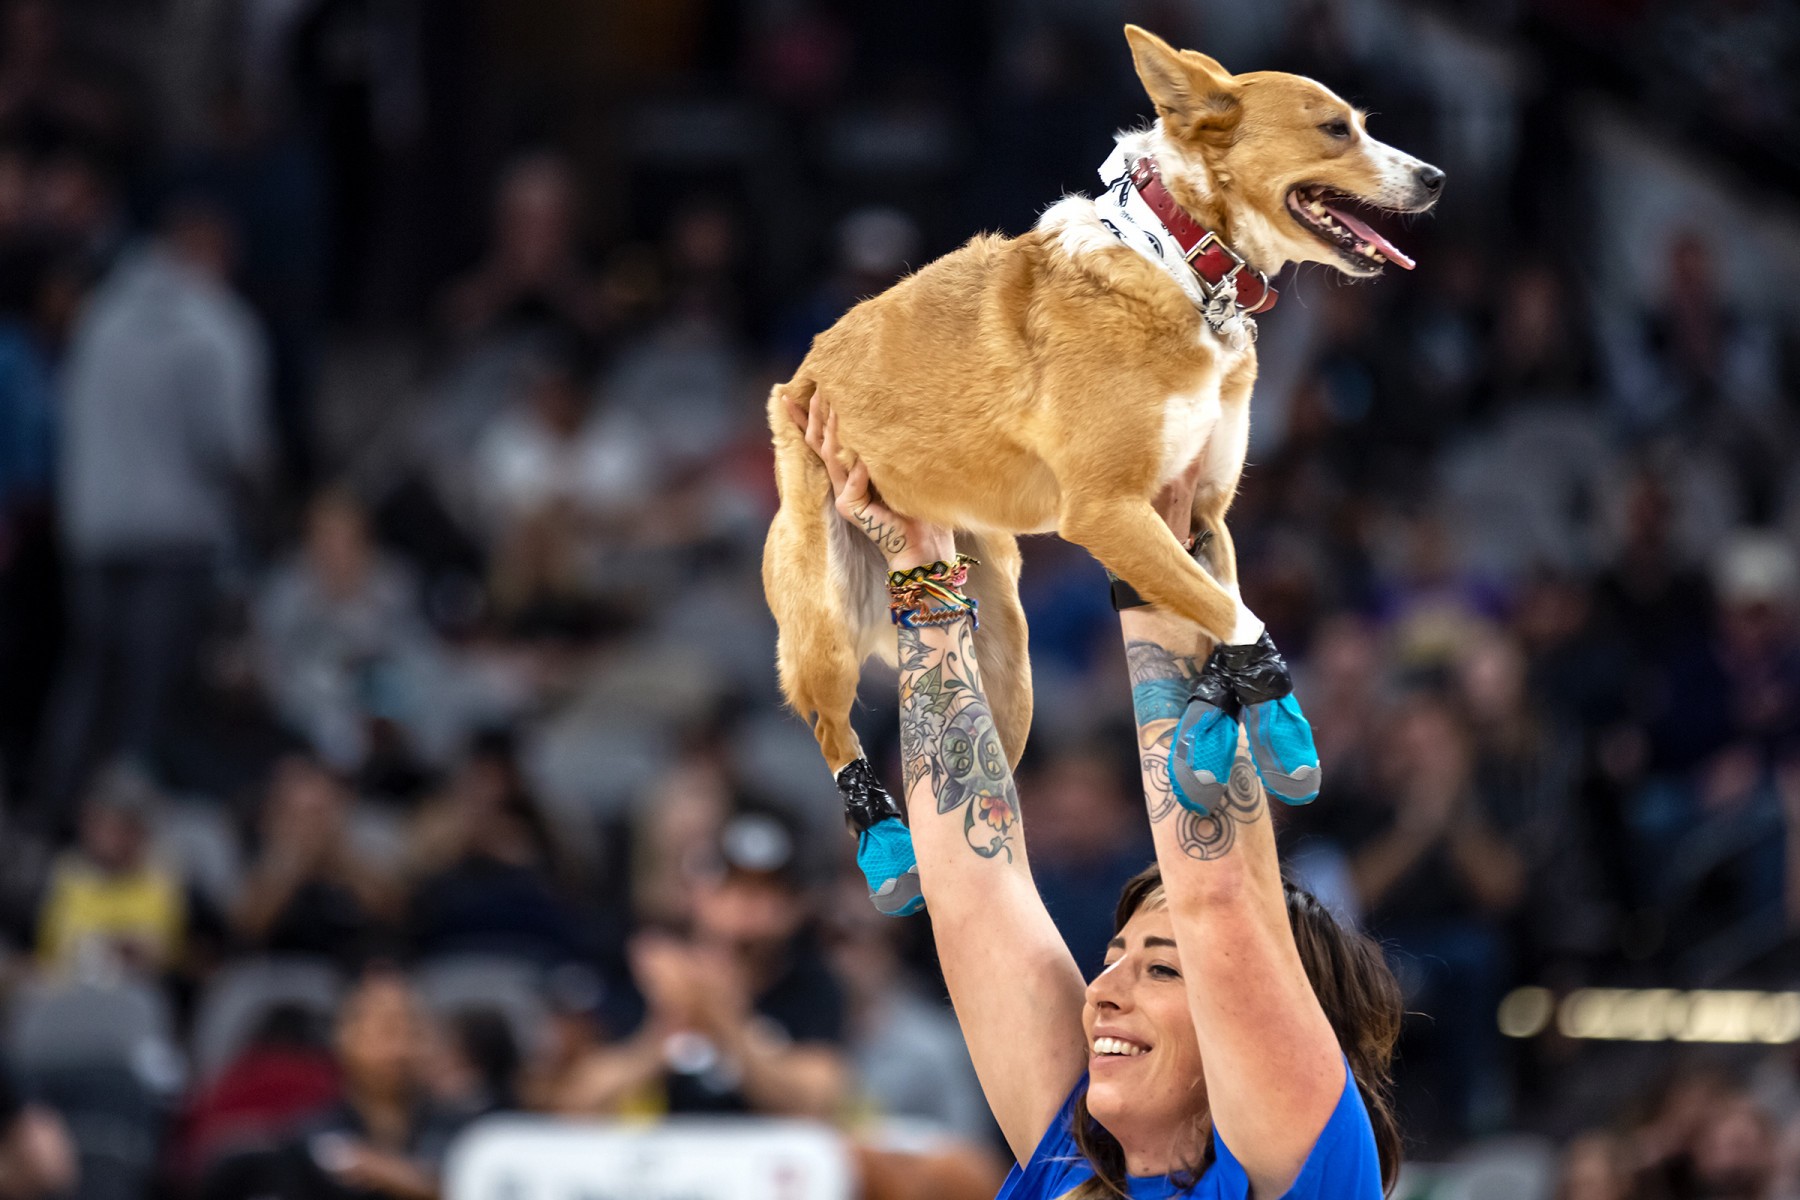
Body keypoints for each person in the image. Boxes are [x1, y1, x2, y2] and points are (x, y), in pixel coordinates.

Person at [795, 394, 1403, 1198]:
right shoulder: (1072, 1162)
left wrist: (1148, 556)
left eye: (1162, 969)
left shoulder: (1314, 1171)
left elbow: (1219, 898)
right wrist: (922, 566)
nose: (1103, 993)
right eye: (1116, 959)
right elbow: (972, 892)